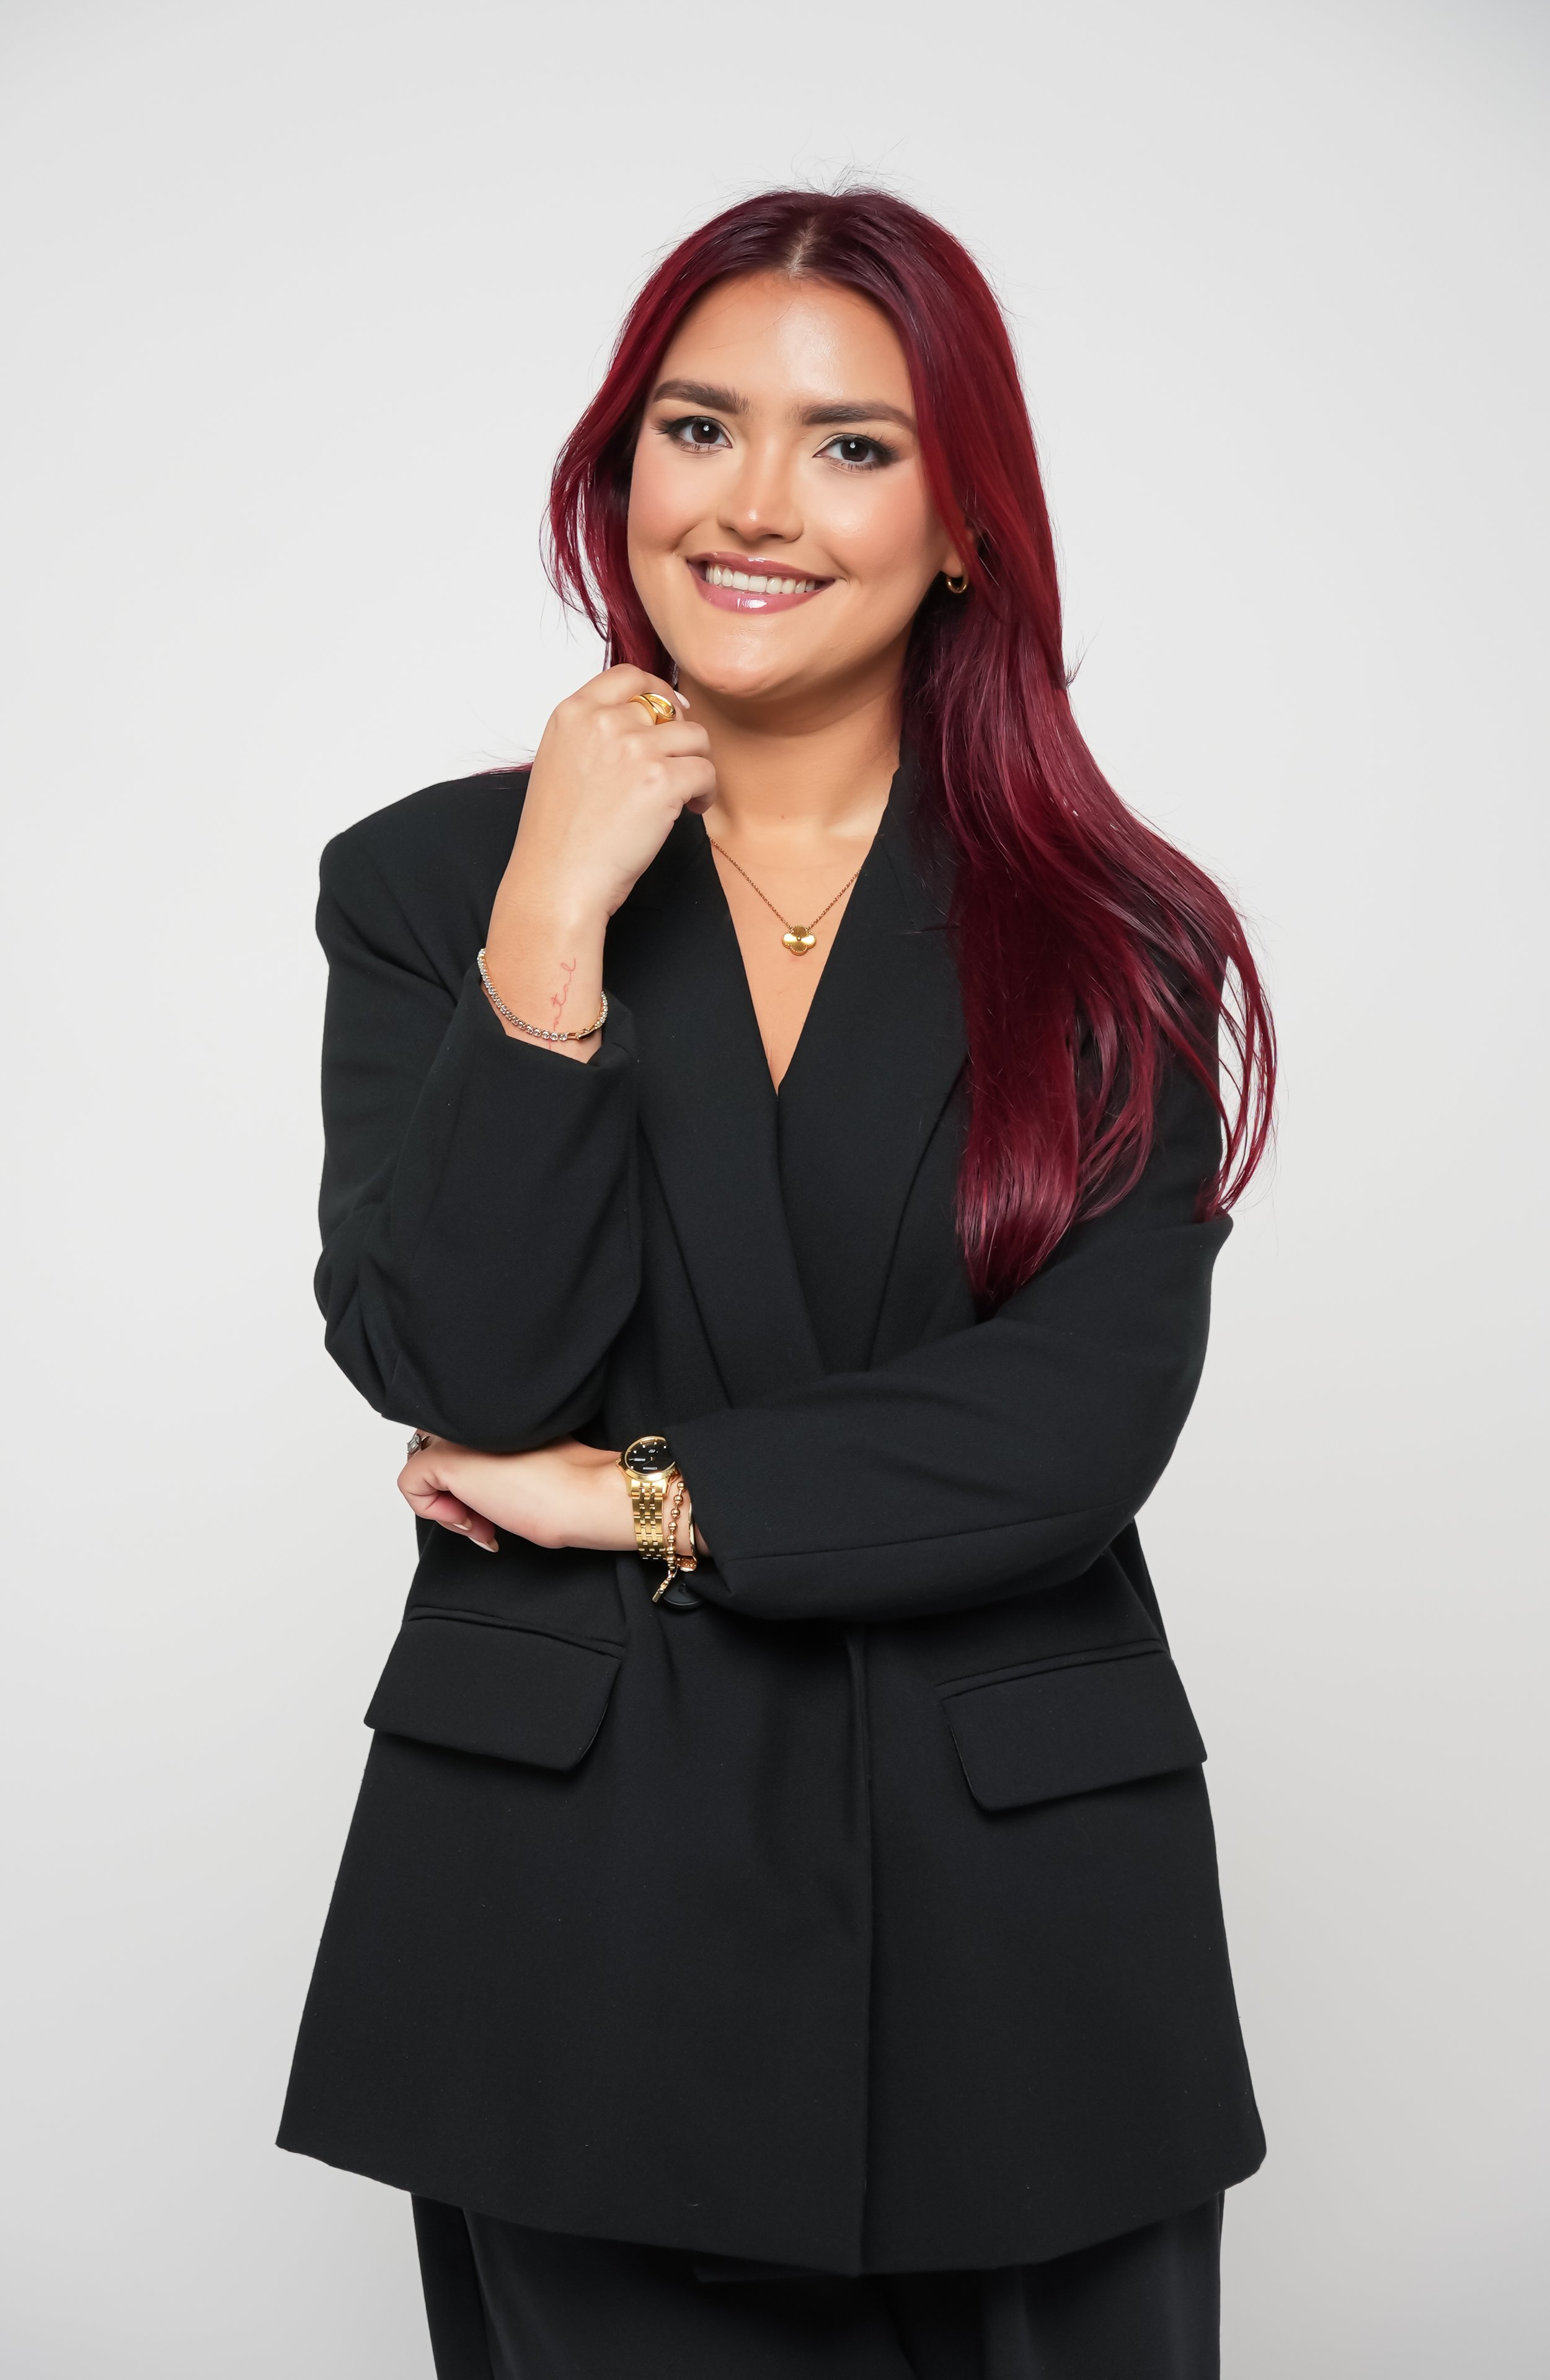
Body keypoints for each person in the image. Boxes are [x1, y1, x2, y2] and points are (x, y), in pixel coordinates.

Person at [279, 187, 1275, 2380]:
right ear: (614, 472)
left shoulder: (1115, 935)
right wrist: (552, 917)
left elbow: (1076, 1422)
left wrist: (621, 1495)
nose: (750, 505)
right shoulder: (432, 881)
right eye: (693, 427)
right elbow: (451, 1356)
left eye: (850, 446)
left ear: (967, 527)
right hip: (570, 1906)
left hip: (1018, 1917)